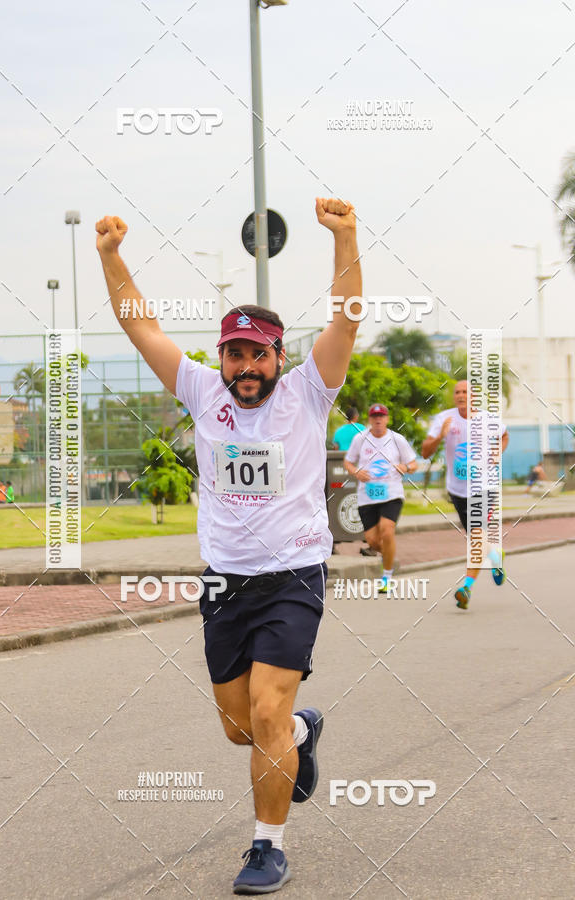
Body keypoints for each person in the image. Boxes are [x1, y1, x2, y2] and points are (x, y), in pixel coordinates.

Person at [96, 197, 362, 895]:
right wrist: (110, 257)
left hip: (293, 576)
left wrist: (346, 238)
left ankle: (267, 847)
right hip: (224, 584)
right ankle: (301, 736)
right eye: (234, 352)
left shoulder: (310, 391)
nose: (245, 365)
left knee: (267, 712)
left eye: (257, 353)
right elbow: (141, 324)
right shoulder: (199, 388)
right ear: (222, 357)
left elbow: (345, 318)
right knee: (242, 731)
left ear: (279, 355)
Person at [421, 381, 509, 610]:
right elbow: (425, 452)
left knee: (476, 537)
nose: (461, 395)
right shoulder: (444, 419)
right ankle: (496, 555)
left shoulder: (489, 419)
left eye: (465, 392)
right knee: (476, 538)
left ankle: (466, 587)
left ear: (474, 396)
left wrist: (497, 452)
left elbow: (504, 436)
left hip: (483, 487)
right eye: (457, 392)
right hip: (457, 490)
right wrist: (440, 435)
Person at [343, 403, 417, 592]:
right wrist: (356, 472)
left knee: (387, 530)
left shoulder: (396, 439)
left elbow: (414, 463)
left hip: (392, 492)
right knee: (373, 541)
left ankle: (387, 577)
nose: (378, 420)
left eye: (381, 416)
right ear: (369, 419)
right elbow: (348, 462)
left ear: (387, 419)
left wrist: (406, 468)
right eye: (374, 416)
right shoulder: (360, 439)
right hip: (367, 495)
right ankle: (390, 557)